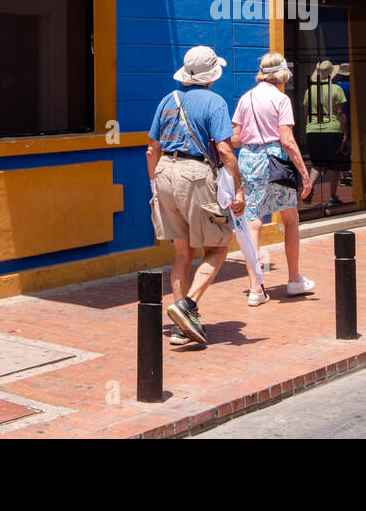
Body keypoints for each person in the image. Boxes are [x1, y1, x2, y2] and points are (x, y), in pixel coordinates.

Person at [147, 46, 246, 346]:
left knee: (181, 252)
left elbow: (152, 149)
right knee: (218, 247)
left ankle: (180, 327)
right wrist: (239, 189)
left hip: (164, 172)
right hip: (195, 174)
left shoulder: (168, 99)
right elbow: (225, 149)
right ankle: (187, 306)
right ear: (211, 76)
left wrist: (155, 184)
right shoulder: (214, 102)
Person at [230, 52, 315, 306]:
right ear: (281, 76)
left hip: (249, 160)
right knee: (290, 218)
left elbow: (235, 138)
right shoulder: (281, 99)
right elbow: (287, 140)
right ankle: (294, 279)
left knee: (252, 222)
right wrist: (304, 174)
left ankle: (256, 289)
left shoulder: (246, 99)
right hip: (275, 162)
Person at [303, 60, 349, 208]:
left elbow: (306, 113)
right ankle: (333, 196)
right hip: (332, 129)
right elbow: (341, 113)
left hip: (313, 129)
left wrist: (310, 128)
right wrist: (345, 133)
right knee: (334, 165)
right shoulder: (336, 89)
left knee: (317, 163)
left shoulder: (309, 91)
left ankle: (309, 187)